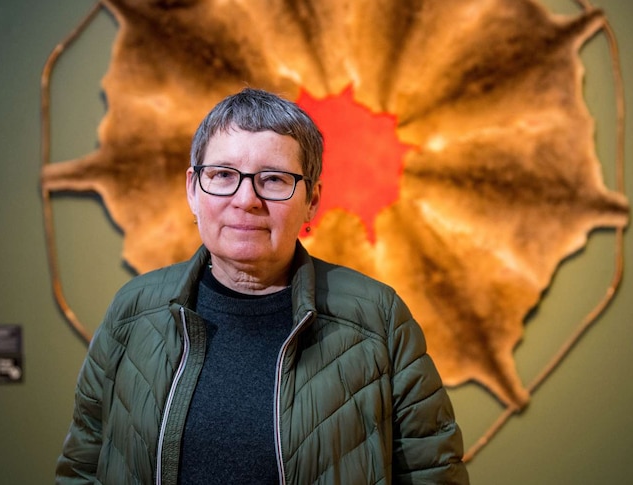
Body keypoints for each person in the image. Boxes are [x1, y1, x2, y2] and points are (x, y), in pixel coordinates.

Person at [56, 88, 469, 484]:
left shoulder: (378, 319)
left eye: (273, 179)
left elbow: (433, 473)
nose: (246, 198)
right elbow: (84, 467)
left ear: (312, 200)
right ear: (193, 190)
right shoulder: (133, 311)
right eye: (222, 175)